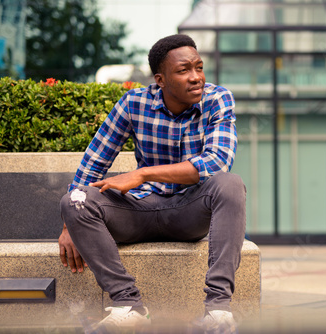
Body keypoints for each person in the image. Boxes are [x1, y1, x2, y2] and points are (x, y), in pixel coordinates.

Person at [59, 34, 246, 333]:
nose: (196, 77)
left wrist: (144, 174)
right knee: (75, 199)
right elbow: (94, 162)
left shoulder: (218, 99)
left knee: (230, 184)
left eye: (199, 67)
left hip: (191, 212)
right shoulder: (133, 103)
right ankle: (128, 304)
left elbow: (217, 162)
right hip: (140, 211)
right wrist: (71, 224)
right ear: (160, 79)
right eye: (183, 70)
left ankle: (218, 310)